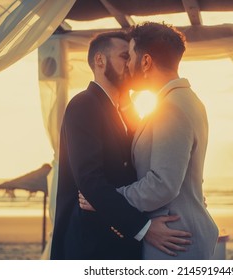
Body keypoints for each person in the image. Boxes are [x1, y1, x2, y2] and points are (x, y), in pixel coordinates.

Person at [80, 22, 219, 259]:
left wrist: (108, 200)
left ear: (145, 61)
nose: (127, 65)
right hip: (180, 232)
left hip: (174, 240)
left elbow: (162, 184)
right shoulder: (185, 101)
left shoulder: (170, 108)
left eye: (130, 56)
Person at [50, 31, 191, 260]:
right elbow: (90, 182)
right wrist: (145, 229)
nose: (131, 63)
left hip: (116, 244)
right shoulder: (84, 104)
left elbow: (145, 161)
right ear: (100, 60)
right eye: (124, 56)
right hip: (90, 246)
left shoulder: (121, 109)